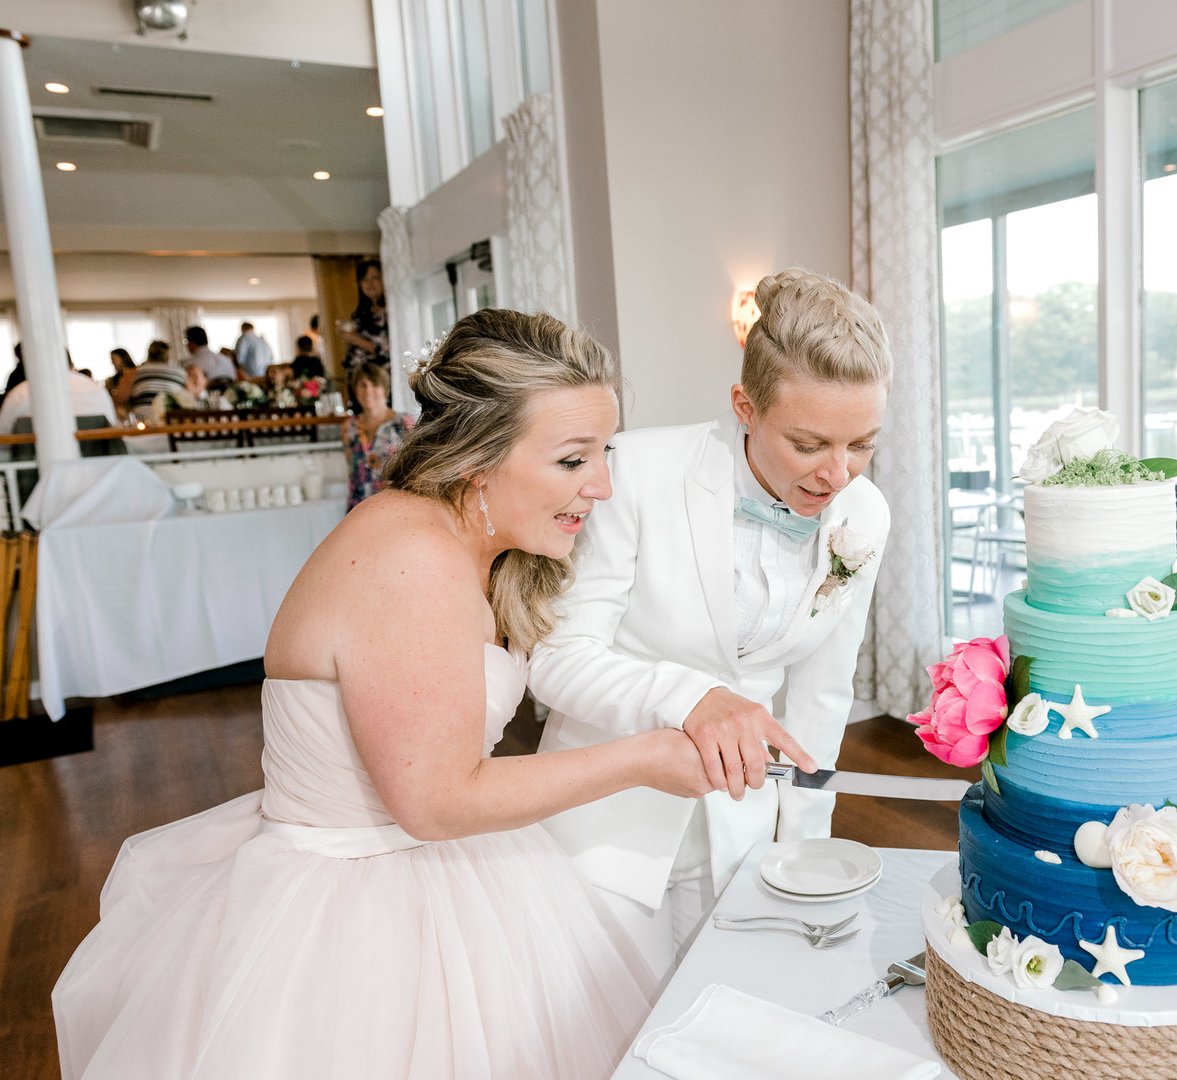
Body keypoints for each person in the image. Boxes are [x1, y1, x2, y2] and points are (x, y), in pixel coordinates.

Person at [52, 309, 715, 1080]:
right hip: (349, 911)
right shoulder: (412, 557)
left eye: (604, 453)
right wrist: (642, 759)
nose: (601, 485)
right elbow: (434, 802)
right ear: (479, 457)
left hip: (449, 869)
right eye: (573, 459)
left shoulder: (479, 544)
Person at [527, 268, 891, 976]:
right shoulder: (634, 470)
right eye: (809, 444)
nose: (839, 474)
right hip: (607, 820)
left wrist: (804, 847)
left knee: (729, 1004)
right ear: (744, 406)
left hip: (743, 822)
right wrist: (694, 698)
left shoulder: (864, 514)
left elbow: (822, 694)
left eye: (863, 444)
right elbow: (558, 657)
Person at [342, 361, 415, 509]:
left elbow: (415, 470)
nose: (368, 390)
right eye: (362, 385)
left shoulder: (404, 422)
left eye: (374, 384)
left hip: (394, 507)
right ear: (355, 389)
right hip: (357, 508)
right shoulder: (349, 426)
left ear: (385, 388)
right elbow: (352, 471)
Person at [0, 351, 117, 435]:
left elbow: (2, 437)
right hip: (99, 465)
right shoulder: (95, 388)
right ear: (71, 364)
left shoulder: (21, 392)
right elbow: (112, 427)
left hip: (37, 466)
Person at [340, 259, 389, 389]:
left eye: (375, 278)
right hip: (356, 380)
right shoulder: (359, 315)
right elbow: (351, 354)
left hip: (378, 382)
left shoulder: (391, 313)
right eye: (365, 279)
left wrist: (355, 339)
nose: (369, 283)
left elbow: (388, 351)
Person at [127, 341, 188, 418]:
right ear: (168, 355)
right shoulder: (180, 372)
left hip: (142, 416)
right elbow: (187, 395)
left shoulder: (137, 371)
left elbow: (122, 397)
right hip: (170, 416)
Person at [105, 348, 137, 416]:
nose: (112, 362)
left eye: (114, 359)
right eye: (111, 359)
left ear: (122, 358)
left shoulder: (135, 373)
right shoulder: (111, 380)